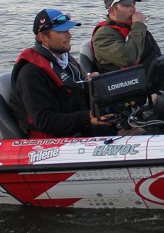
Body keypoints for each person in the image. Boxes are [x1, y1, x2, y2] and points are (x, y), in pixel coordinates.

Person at [10, 9, 114, 138]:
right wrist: (88, 117)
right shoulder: (30, 73)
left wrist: (92, 85)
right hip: (54, 141)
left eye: (68, 30)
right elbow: (44, 121)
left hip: (81, 128)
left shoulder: (66, 60)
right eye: (61, 32)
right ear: (43, 37)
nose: (69, 35)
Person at [91, 0, 162, 73]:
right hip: (125, 80)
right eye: (127, 5)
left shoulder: (132, 28)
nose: (133, 9)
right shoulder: (102, 35)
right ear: (112, 11)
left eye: (134, 4)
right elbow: (129, 59)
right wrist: (138, 25)